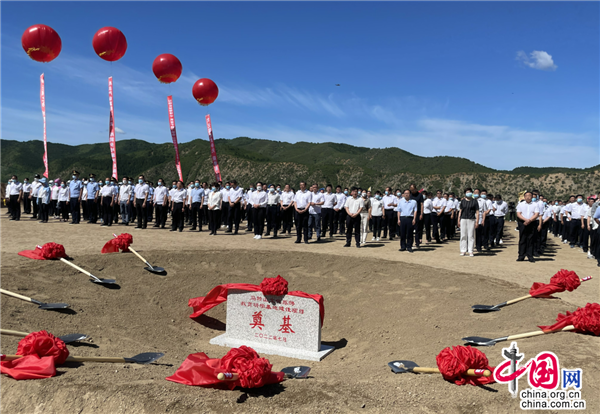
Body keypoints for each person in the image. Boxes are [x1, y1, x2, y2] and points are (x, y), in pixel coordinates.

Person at [516, 191, 540, 263]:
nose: (528, 197)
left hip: (532, 222)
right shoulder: (520, 204)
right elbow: (518, 214)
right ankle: (521, 256)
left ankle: (530, 256)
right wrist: (525, 220)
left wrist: (529, 220)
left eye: (529, 196)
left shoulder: (535, 204)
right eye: (526, 196)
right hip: (522, 222)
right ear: (524, 197)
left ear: (532, 197)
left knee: (531, 239)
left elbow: (536, 214)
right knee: (522, 239)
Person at [458, 188, 479, 257]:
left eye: (469, 192)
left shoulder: (474, 201)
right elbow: (460, 211)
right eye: (467, 192)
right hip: (463, 219)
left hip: (471, 219)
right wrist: (458, 220)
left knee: (471, 235)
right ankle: (463, 250)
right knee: (463, 235)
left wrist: (477, 221)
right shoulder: (463, 201)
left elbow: (477, 212)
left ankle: (470, 250)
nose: (468, 193)